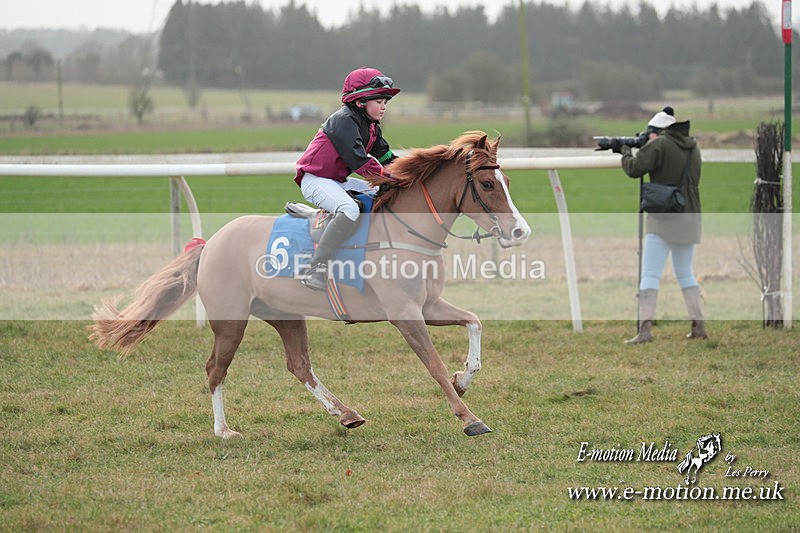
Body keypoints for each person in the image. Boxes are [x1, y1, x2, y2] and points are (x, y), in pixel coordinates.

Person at [294, 67, 400, 291]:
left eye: (385, 102)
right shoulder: (343, 121)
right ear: (361, 102)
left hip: (336, 181)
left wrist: (410, 173)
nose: (384, 106)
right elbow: (361, 162)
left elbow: (387, 158)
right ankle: (315, 267)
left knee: (383, 193)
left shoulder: (371, 127)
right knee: (350, 209)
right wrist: (392, 178)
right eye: (379, 101)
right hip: (315, 180)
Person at [612, 107, 708, 343]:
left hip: (663, 219)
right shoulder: (693, 146)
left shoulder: (661, 144)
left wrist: (625, 151)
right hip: (689, 217)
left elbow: (634, 169)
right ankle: (699, 327)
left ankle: (644, 331)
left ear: (656, 132)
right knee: (685, 273)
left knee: (650, 275)